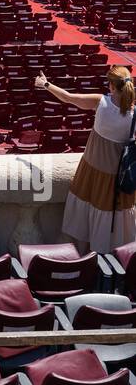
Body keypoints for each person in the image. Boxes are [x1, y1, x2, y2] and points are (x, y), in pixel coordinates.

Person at [35, 64, 136, 253]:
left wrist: (45, 84)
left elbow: (68, 98)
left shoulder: (102, 102)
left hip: (92, 171)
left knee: (86, 223)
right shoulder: (134, 113)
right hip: (119, 180)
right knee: (112, 224)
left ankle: (85, 259)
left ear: (112, 86)